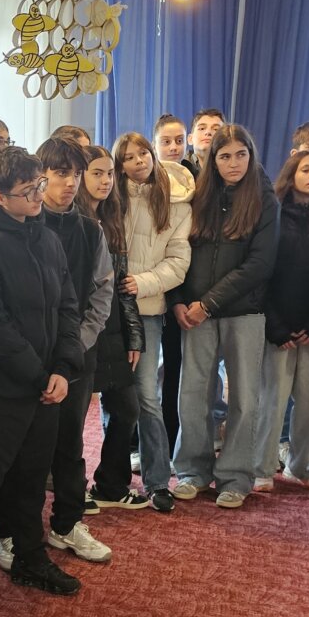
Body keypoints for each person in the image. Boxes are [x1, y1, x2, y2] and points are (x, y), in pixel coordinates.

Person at [0, 146, 85, 617]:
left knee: (31, 477)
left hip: (45, 385)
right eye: (27, 190)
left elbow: (68, 307)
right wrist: (37, 373)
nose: (38, 196)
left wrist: (62, 367)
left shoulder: (46, 238)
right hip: (0, 386)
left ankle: (30, 556)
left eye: (38, 186)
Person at [168, 124, 279, 510]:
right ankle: (192, 471)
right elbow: (177, 250)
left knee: (244, 398)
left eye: (240, 155)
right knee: (193, 394)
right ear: (212, 160)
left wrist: (208, 303)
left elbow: (260, 264)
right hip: (194, 312)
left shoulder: (264, 200)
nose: (234, 163)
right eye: (225, 156)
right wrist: (179, 300)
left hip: (243, 312)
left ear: (251, 156)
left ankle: (235, 477)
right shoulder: (197, 197)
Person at [36, 137, 115, 563]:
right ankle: (18, 529)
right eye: (61, 173)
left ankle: (67, 524)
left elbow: (101, 293)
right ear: (41, 176)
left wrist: (76, 344)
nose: (70, 183)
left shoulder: (89, 229)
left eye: (76, 174)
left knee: (70, 444)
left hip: (77, 354)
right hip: (31, 356)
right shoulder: (27, 224)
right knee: (28, 449)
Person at [114, 132, 194, 512]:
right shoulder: (110, 198)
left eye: (144, 153)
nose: (139, 161)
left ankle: (158, 480)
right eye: (129, 157)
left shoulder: (176, 203)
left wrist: (141, 283)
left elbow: (178, 262)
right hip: (107, 310)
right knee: (113, 396)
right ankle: (111, 477)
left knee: (146, 395)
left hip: (146, 310)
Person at [255, 150, 309, 493]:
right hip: (277, 326)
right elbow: (262, 274)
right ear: (291, 175)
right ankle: (261, 467)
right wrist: (275, 325)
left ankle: (300, 466)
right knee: (272, 400)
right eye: (305, 169)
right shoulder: (271, 214)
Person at [77, 144, 149, 512]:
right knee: (73, 419)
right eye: (97, 173)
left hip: (115, 328)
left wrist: (134, 335)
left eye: (109, 174)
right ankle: (72, 490)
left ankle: (111, 484)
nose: (106, 181)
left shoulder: (112, 217)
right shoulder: (71, 221)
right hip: (82, 329)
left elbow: (123, 286)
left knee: (127, 408)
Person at [185, 108, 226, 176]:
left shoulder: (231, 169)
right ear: (190, 139)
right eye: (202, 128)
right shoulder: (179, 168)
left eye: (216, 129)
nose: (208, 132)